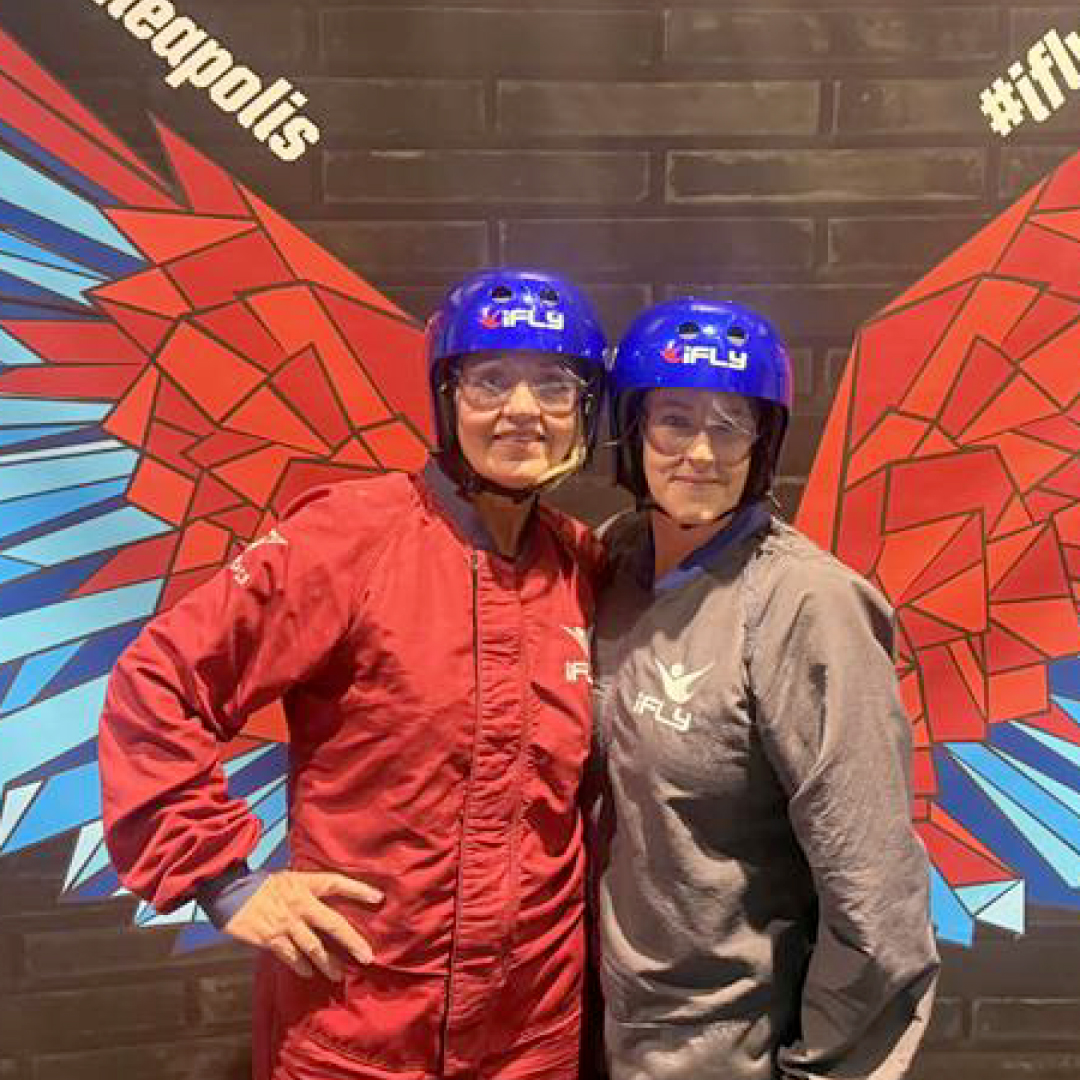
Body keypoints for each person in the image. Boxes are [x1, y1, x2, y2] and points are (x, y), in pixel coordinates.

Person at [98, 268, 609, 1080]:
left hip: (531, 1033)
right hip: (360, 1028)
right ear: (447, 399)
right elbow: (160, 684)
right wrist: (224, 881)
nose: (522, 409)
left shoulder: (586, 564)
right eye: (489, 380)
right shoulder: (349, 536)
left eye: (553, 384)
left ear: (584, 408)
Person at [591, 297, 940, 1080]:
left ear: (764, 440)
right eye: (675, 419)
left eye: (731, 424)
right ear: (633, 431)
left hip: (728, 1050)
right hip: (599, 1030)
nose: (702, 452)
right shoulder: (613, 566)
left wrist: (825, 1068)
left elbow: (875, 893)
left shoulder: (807, 605)